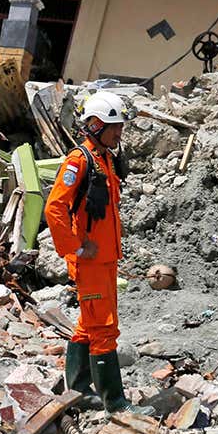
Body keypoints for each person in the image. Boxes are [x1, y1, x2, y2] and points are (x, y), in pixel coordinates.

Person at [44, 91, 145, 413]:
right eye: (115, 127)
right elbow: (54, 208)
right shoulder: (80, 161)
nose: (119, 133)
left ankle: (78, 389)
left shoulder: (104, 159)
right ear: (97, 125)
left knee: (88, 325)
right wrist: (75, 247)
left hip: (105, 259)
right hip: (90, 262)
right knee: (104, 328)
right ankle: (115, 404)